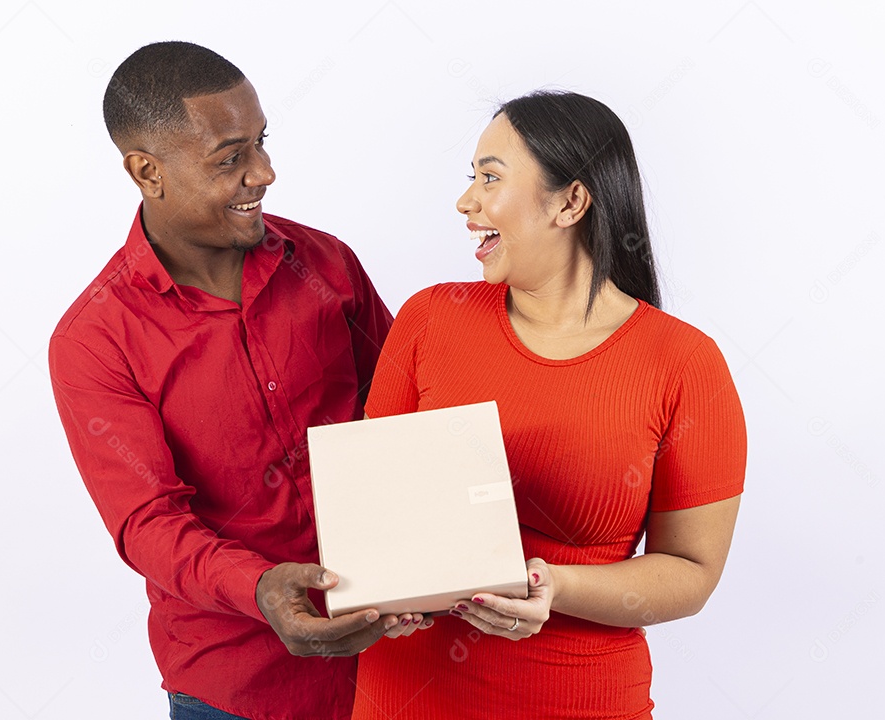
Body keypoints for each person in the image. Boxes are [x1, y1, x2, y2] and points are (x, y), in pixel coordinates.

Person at [49, 41, 427, 720]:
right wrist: (260, 589)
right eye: (231, 159)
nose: (265, 173)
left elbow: (412, 420)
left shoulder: (327, 265)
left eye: (261, 143)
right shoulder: (94, 339)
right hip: (235, 690)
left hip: (399, 667)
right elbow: (147, 523)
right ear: (147, 172)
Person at [352, 90, 747, 719]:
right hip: (407, 698)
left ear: (570, 201)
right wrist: (383, 594)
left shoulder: (683, 364)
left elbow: (690, 570)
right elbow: (377, 518)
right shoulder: (430, 319)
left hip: (579, 699)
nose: (466, 202)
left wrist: (555, 586)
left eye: (490, 177)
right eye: (471, 177)